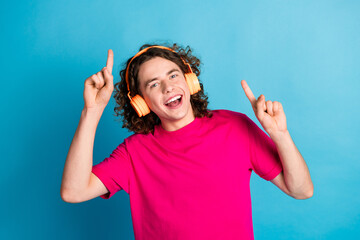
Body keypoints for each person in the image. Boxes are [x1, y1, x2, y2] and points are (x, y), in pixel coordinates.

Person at [61, 43, 313, 240]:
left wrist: (280, 135)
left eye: (173, 76)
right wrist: (91, 112)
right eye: (154, 84)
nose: (167, 88)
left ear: (189, 80)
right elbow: (74, 191)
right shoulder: (133, 152)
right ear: (141, 103)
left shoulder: (236, 126)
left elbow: (301, 190)